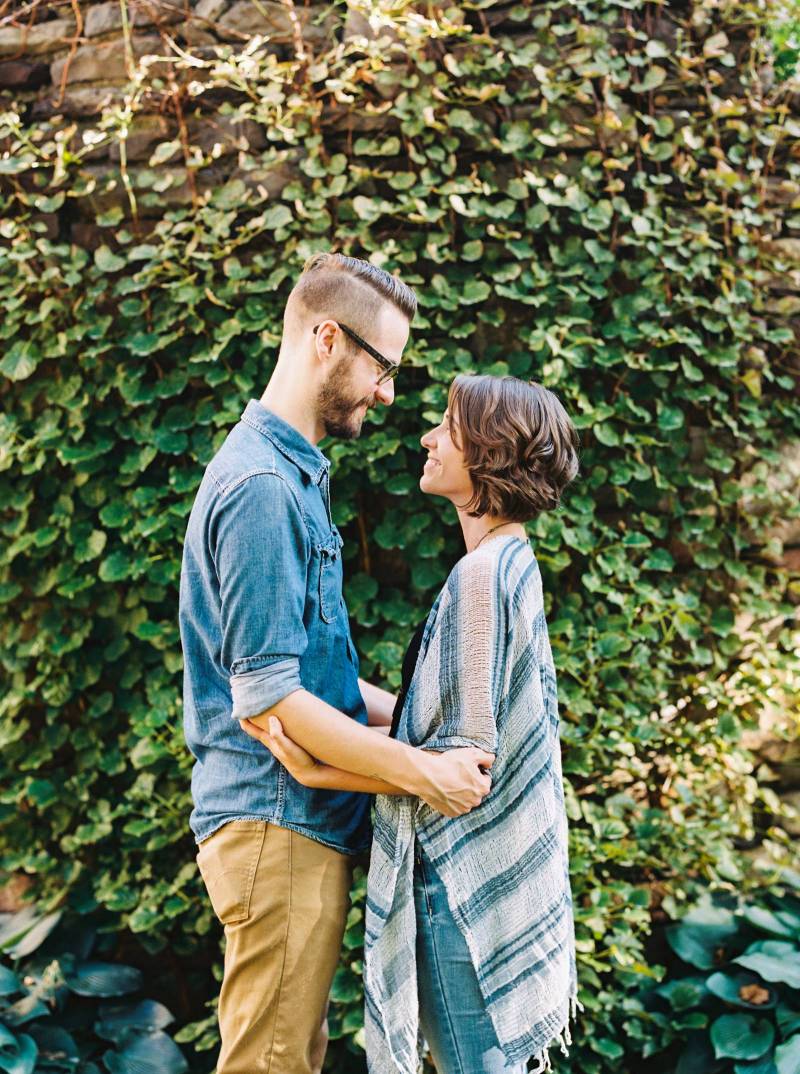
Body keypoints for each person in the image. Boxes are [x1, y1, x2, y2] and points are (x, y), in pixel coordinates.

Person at [178, 253, 494, 1074]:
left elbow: (309, 670)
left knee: (294, 1055)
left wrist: (422, 720)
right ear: (327, 338)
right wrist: (424, 773)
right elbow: (275, 698)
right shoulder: (261, 488)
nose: (388, 393)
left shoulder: (292, 474)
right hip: (275, 817)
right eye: (382, 366)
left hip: (296, 823)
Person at [244, 373, 583, 1074]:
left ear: (488, 453)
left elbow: (461, 774)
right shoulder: (509, 562)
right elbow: (437, 720)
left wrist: (316, 767)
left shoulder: (481, 579)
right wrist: (319, 693)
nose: (429, 438)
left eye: (449, 428)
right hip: (474, 890)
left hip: (459, 889)